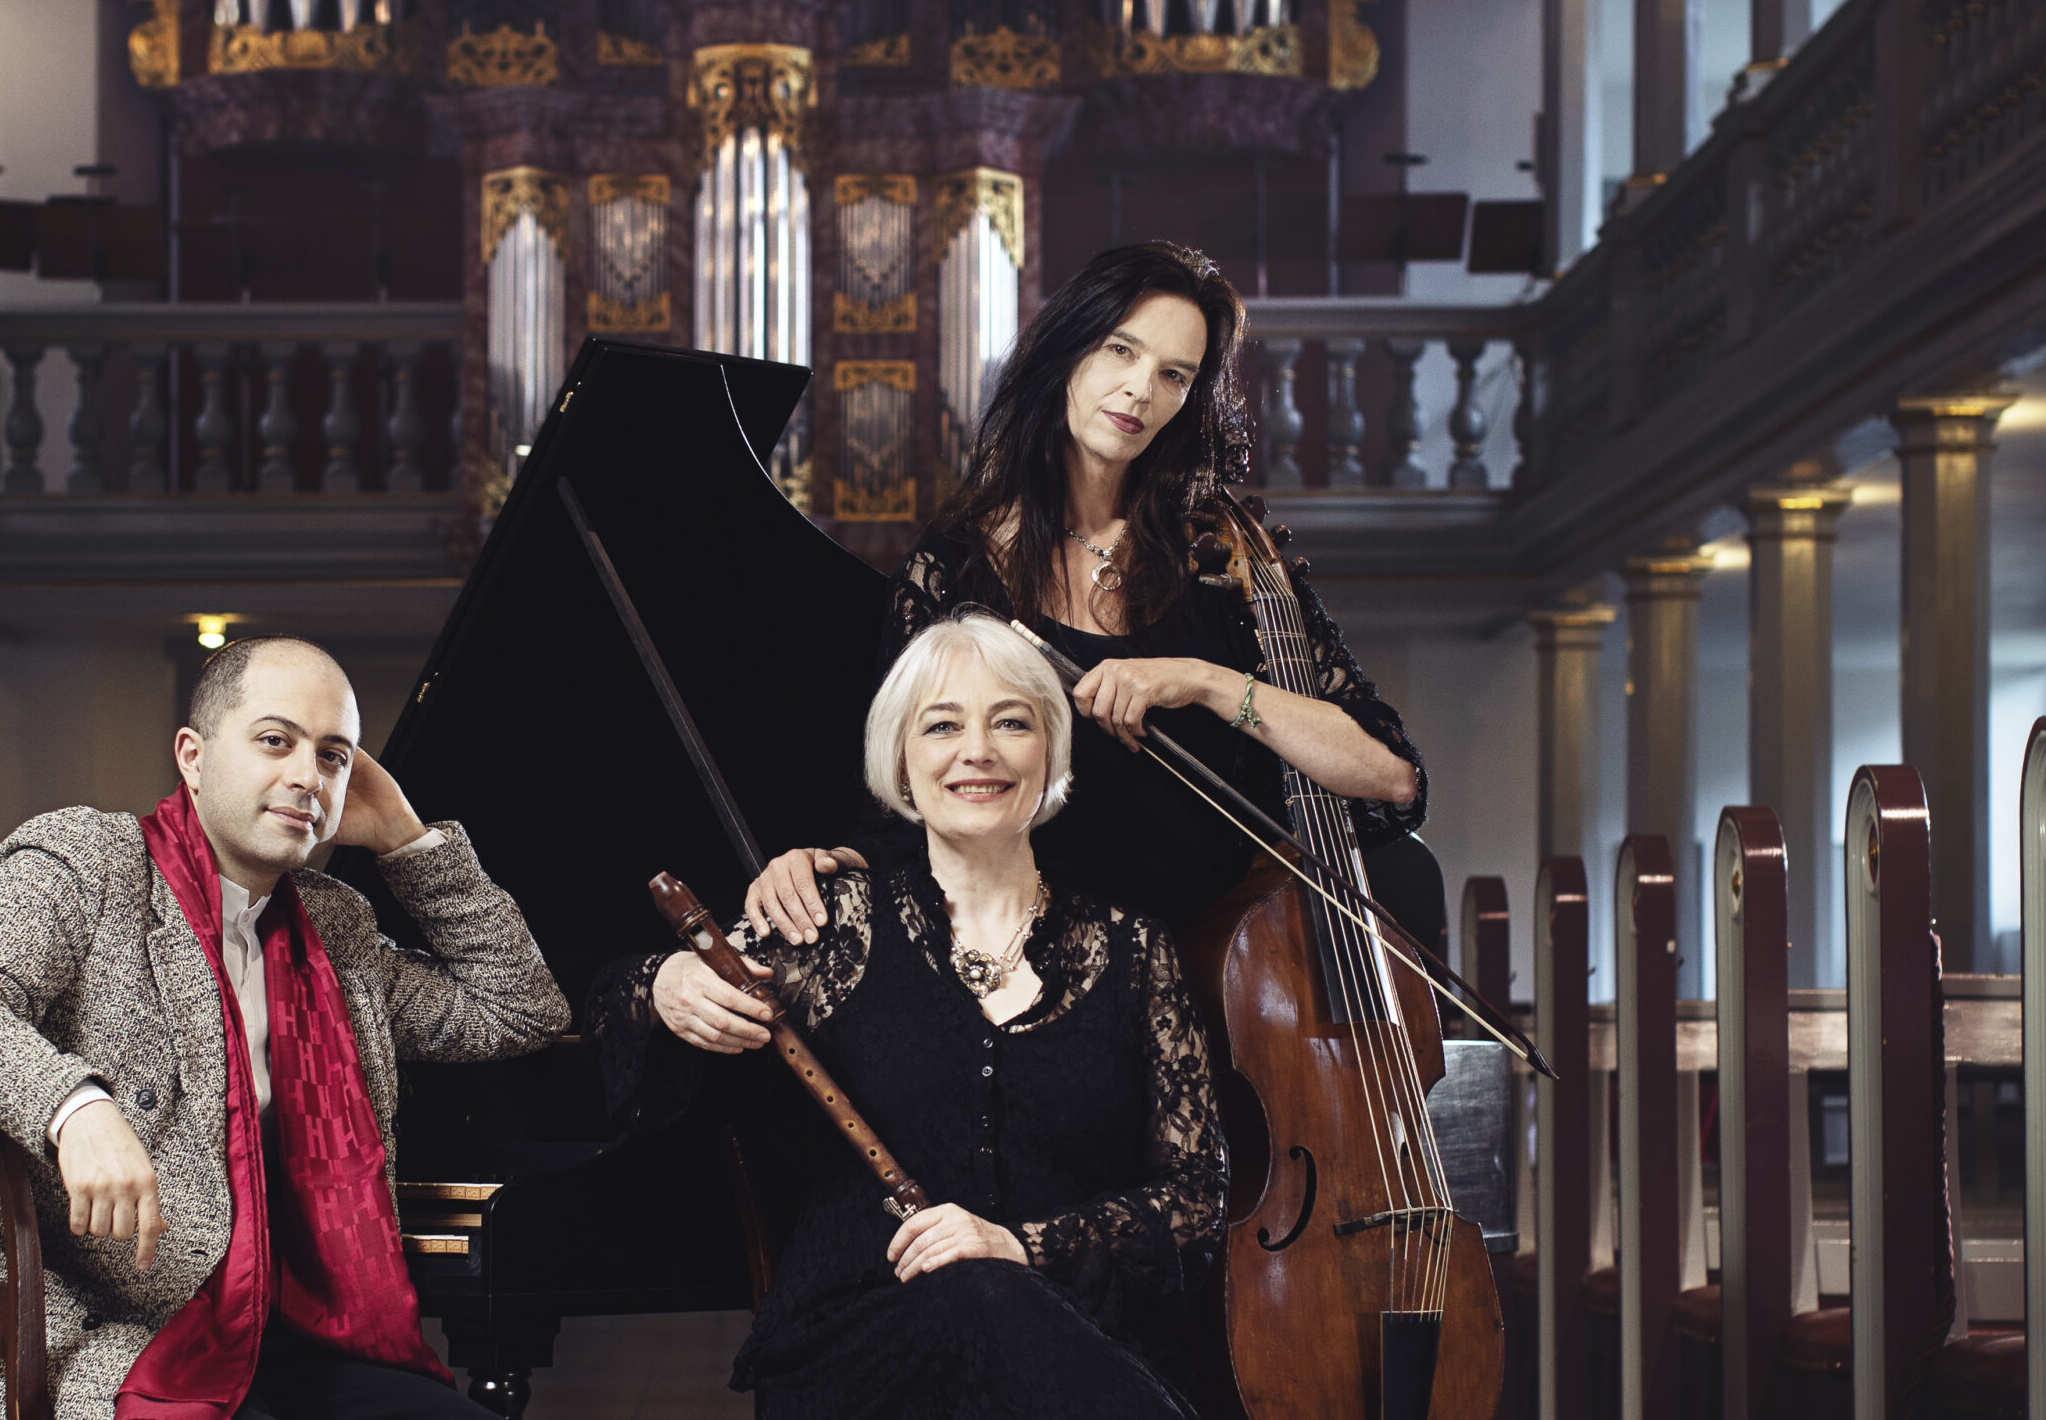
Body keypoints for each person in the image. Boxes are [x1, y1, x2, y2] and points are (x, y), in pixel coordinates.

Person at [0, 636, 569, 1420]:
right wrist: (75, 1107)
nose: (308, 776)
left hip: (284, 1340)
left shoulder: (333, 927)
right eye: (275, 740)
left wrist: (408, 838)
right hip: (94, 1343)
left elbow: (520, 1006)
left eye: (333, 756)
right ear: (193, 757)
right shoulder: (89, 864)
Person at [588, 614, 1223, 1420]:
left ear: (1051, 753)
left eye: (1011, 722)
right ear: (901, 762)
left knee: (991, 1293)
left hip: (1080, 1345)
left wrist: (1017, 1244)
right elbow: (609, 1006)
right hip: (865, 1345)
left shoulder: (1136, 952)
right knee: (975, 1297)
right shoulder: (831, 926)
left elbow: (1195, 1200)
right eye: (943, 725)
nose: (978, 750)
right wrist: (663, 981)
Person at [744, 240, 1425, 949]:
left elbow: (1393, 777)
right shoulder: (956, 570)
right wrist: (822, 864)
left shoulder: (1221, 567)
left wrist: (1206, 682)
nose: (1140, 390)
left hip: (1215, 967)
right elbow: (902, 812)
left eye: (1173, 375)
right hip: (1030, 970)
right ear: (1068, 350)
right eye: (1120, 350)